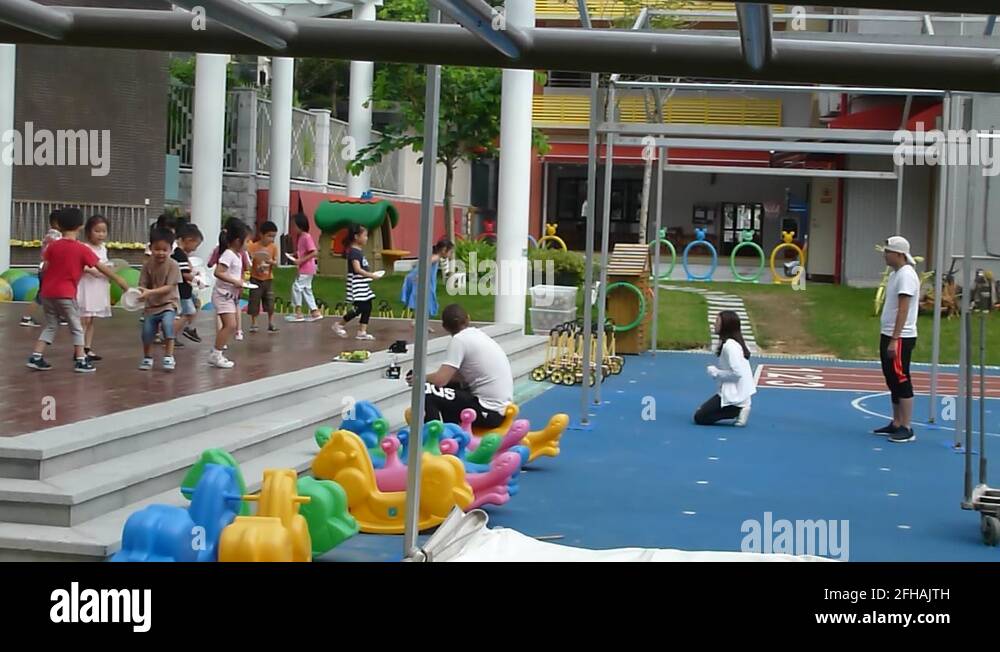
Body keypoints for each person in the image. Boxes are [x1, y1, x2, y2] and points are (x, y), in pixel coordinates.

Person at [25, 208, 129, 372]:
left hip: (47, 293)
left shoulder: (53, 246)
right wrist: (120, 281)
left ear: (59, 225)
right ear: (81, 226)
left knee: (51, 325)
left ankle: (36, 356)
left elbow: (45, 267)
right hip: (65, 294)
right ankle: (81, 360)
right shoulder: (81, 249)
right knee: (77, 327)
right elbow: (101, 267)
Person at [407, 303, 512, 428]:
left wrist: (418, 377)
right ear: (468, 318)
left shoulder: (459, 340)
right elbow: (457, 378)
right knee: (448, 390)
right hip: (499, 409)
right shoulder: (479, 336)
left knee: (427, 390)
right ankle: (452, 430)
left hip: (488, 410)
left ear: (445, 327)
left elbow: (441, 380)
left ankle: (433, 438)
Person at [872, 235, 920, 443]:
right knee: (891, 377)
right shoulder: (895, 274)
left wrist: (895, 338)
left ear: (899, 254)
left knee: (901, 377)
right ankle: (896, 422)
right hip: (890, 333)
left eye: (888, 251)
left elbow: (903, 309)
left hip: (900, 336)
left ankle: (907, 426)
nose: (885, 255)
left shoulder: (906, 276)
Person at [693, 310, 755, 427]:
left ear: (725, 326)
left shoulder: (730, 347)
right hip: (735, 392)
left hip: (734, 394)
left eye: (717, 322)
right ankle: (739, 407)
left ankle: (736, 410)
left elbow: (737, 373)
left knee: (700, 417)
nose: (714, 324)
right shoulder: (731, 344)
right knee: (701, 411)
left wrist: (716, 373)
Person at [138, 228, 182, 371]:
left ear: (171, 249)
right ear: (150, 248)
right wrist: (140, 293)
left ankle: (169, 356)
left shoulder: (173, 265)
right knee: (147, 332)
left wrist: (149, 292)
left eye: (165, 249)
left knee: (168, 325)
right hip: (151, 306)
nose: (160, 253)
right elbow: (142, 284)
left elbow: (170, 287)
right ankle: (147, 357)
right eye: (157, 249)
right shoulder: (147, 265)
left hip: (169, 303)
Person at [208, 220, 250, 369]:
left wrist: (240, 283)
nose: (248, 244)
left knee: (230, 325)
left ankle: (217, 352)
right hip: (222, 295)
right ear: (238, 241)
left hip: (230, 295)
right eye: (247, 241)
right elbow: (218, 272)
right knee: (230, 325)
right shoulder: (228, 254)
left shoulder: (238, 255)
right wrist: (234, 281)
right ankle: (216, 353)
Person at [331, 224, 379, 341]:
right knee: (360, 307)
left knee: (367, 306)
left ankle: (362, 331)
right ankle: (339, 324)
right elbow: (357, 269)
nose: (367, 238)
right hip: (357, 284)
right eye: (365, 235)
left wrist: (370, 276)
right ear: (357, 237)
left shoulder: (357, 251)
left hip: (362, 283)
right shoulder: (354, 252)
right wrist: (371, 275)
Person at [76, 214, 112, 362]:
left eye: (103, 231)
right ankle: (78, 350)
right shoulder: (83, 247)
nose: (101, 234)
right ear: (89, 231)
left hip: (99, 285)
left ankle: (87, 348)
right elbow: (81, 266)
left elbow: (104, 264)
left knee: (91, 320)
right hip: (87, 285)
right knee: (84, 318)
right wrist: (92, 270)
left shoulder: (103, 248)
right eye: (97, 231)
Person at [20, 209, 63, 327]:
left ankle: (60, 316)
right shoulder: (55, 236)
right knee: (42, 295)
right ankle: (26, 317)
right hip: (49, 270)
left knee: (56, 293)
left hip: (47, 269)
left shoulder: (52, 235)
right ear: (55, 223)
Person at [400, 238, 453, 332]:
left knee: (422, 301)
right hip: (423, 280)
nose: (450, 254)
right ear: (444, 250)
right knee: (427, 302)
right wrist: (419, 274)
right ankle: (420, 323)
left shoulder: (435, 256)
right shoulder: (436, 257)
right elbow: (426, 263)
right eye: (450, 251)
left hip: (423, 279)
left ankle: (418, 322)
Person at [285, 212, 323, 323]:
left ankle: (298, 312)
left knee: (296, 287)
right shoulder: (301, 237)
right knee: (306, 289)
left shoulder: (306, 237)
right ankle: (314, 311)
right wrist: (294, 255)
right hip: (306, 268)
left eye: (294, 225)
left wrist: (300, 260)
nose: (293, 228)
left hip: (306, 268)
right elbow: (303, 251)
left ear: (300, 225)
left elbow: (314, 252)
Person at [173, 222, 204, 344]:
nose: (195, 249)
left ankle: (184, 329)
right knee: (188, 312)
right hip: (182, 291)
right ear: (189, 240)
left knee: (193, 307)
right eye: (195, 245)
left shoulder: (179, 254)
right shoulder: (179, 254)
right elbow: (184, 274)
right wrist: (197, 280)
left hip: (183, 290)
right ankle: (172, 336)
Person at [247, 221, 279, 334]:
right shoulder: (253, 246)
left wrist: (270, 262)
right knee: (254, 301)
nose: (271, 239)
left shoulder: (273, 247)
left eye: (273, 236)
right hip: (255, 278)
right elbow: (249, 260)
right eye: (269, 236)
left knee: (270, 301)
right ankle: (254, 322)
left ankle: (271, 322)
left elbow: (276, 263)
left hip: (268, 278)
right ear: (261, 235)